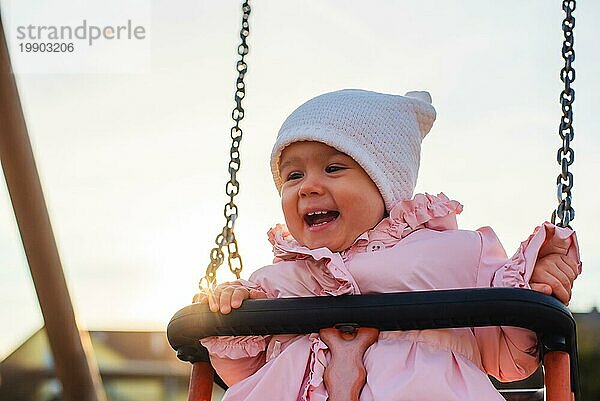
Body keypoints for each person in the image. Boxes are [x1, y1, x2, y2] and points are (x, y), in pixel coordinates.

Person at [198, 89, 581, 401]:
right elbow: (242, 375)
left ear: (385, 186)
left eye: (333, 168)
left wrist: (537, 283)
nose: (308, 186)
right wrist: (230, 310)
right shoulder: (274, 281)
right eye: (293, 175)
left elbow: (510, 354)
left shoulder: (453, 255)